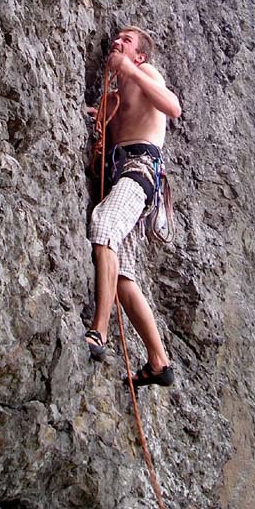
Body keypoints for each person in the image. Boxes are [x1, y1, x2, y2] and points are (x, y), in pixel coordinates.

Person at [85, 26, 182, 387]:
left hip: (140, 168)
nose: (118, 42)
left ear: (139, 55)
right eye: (118, 38)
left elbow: (173, 107)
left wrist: (130, 71)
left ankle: (99, 332)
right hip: (123, 175)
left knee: (104, 226)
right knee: (123, 276)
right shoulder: (117, 94)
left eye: (127, 41)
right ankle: (159, 361)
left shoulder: (145, 74)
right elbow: (99, 118)